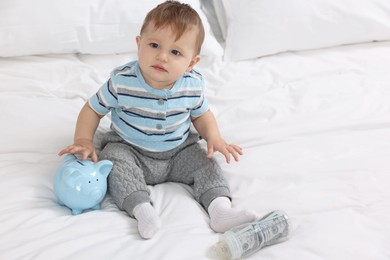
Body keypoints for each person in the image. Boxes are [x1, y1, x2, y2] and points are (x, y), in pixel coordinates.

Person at [59, 0, 256, 239]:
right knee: (114, 163)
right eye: (154, 45)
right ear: (139, 44)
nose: (162, 56)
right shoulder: (122, 81)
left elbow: (201, 114)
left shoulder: (192, 85)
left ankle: (220, 210)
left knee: (206, 163)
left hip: (178, 151)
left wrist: (214, 136)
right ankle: (142, 210)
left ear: (191, 63)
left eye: (175, 52)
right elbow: (92, 109)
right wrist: (84, 139)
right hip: (130, 148)